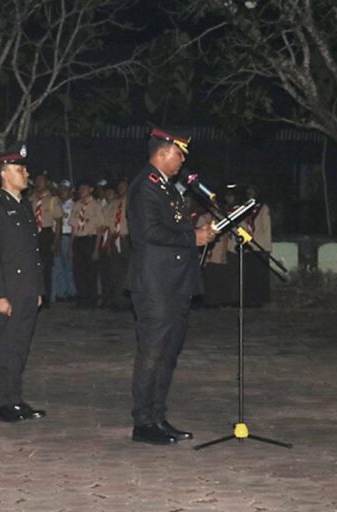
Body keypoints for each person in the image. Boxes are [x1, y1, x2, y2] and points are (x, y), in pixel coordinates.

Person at [126, 128, 216, 445]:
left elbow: (173, 226)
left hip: (174, 282)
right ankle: (143, 422)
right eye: (179, 154)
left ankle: (158, 416)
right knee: (152, 351)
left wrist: (197, 231)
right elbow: (150, 231)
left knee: (168, 353)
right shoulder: (146, 187)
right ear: (164, 152)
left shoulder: (166, 187)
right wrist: (194, 237)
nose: (181, 162)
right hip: (155, 284)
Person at [0, 142, 46, 423]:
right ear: (5, 174)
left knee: (20, 346)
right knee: (4, 346)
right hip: (9, 289)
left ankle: (15, 399)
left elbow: (33, 252)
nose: (26, 174)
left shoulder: (24, 206)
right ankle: (0, 403)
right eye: (20, 169)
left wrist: (38, 289)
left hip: (27, 289)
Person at [28, 171, 62, 308]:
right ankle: (34, 296)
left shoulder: (53, 200)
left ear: (46, 182)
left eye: (41, 180)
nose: (38, 182)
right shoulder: (31, 199)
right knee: (33, 267)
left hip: (47, 234)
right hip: (33, 234)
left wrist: (56, 241)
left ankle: (46, 297)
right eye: (37, 180)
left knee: (46, 268)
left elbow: (59, 221)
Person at [69, 180, 103, 308]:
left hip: (90, 239)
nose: (82, 190)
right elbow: (73, 227)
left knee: (91, 272)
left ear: (91, 189)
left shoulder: (96, 205)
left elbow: (100, 228)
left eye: (85, 188)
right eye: (80, 188)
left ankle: (92, 300)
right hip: (78, 239)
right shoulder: (76, 205)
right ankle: (82, 298)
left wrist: (96, 249)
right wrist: (71, 246)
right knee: (79, 272)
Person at [103, 177, 131, 310]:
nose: (121, 189)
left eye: (123, 186)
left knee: (128, 270)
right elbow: (108, 225)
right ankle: (117, 299)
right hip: (115, 239)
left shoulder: (132, 202)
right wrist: (108, 242)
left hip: (127, 239)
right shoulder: (114, 203)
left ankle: (127, 300)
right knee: (115, 271)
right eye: (119, 186)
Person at [51, 180, 76, 302]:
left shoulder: (74, 205)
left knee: (68, 267)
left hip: (67, 236)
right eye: (60, 189)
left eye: (65, 190)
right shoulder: (56, 204)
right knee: (58, 266)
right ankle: (61, 292)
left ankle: (72, 292)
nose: (62, 192)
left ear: (70, 191)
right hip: (57, 236)